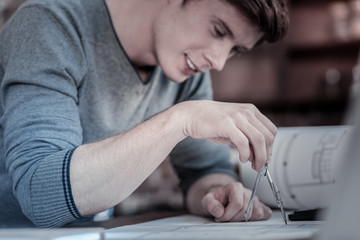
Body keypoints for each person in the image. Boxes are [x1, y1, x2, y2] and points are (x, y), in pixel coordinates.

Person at [0, 0, 289, 227]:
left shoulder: (188, 69)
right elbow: (40, 194)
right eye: (218, 30)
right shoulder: (49, 24)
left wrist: (218, 192)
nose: (218, 61)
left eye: (235, 49)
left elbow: (203, 171)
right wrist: (180, 120)